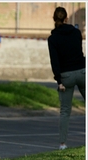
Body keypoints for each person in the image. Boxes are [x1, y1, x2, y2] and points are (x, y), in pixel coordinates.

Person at [47, 6, 85, 150]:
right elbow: (79, 52)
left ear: (54, 19)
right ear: (67, 18)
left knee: (65, 111)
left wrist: (59, 81)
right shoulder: (76, 33)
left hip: (66, 76)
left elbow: (54, 61)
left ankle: (63, 144)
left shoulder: (53, 39)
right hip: (82, 72)